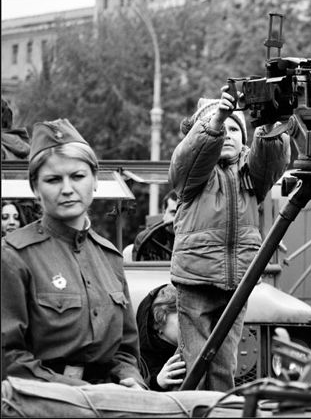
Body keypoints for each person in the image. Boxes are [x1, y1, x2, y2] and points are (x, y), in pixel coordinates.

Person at [1, 118, 146, 389]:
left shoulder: (110, 257)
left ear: (95, 180)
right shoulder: (14, 256)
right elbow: (8, 359)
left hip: (108, 398)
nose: (67, 189)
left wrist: (131, 381)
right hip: (40, 399)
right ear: (35, 188)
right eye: (53, 179)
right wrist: (83, 393)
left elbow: (125, 351)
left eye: (78, 176)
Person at [169, 87, 291, 391]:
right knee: (194, 364)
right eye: (221, 128)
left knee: (225, 365)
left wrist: (269, 124)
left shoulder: (251, 173)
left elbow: (271, 158)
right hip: (196, 279)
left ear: (245, 140)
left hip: (238, 280)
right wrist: (217, 120)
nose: (227, 134)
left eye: (235, 129)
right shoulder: (194, 175)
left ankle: (222, 407)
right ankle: (194, 408)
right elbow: (189, 157)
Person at [136, 283, 186, 391]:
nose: (188, 325)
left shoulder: (193, 349)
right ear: (158, 322)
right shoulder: (140, 361)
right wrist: (156, 383)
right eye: (181, 318)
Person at [130, 190, 178, 261]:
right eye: (174, 213)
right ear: (164, 212)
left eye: (183, 214)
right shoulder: (147, 239)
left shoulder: (193, 238)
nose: (178, 219)